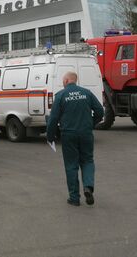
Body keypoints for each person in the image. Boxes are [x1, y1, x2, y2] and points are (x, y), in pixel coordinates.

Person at [46, 71, 104, 206]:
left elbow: (53, 119)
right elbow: (100, 111)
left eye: (62, 80)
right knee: (88, 160)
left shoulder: (60, 96)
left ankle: (74, 198)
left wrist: (50, 136)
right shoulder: (87, 93)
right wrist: (91, 123)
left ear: (66, 80)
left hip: (68, 135)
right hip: (86, 133)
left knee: (71, 165)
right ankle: (88, 187)